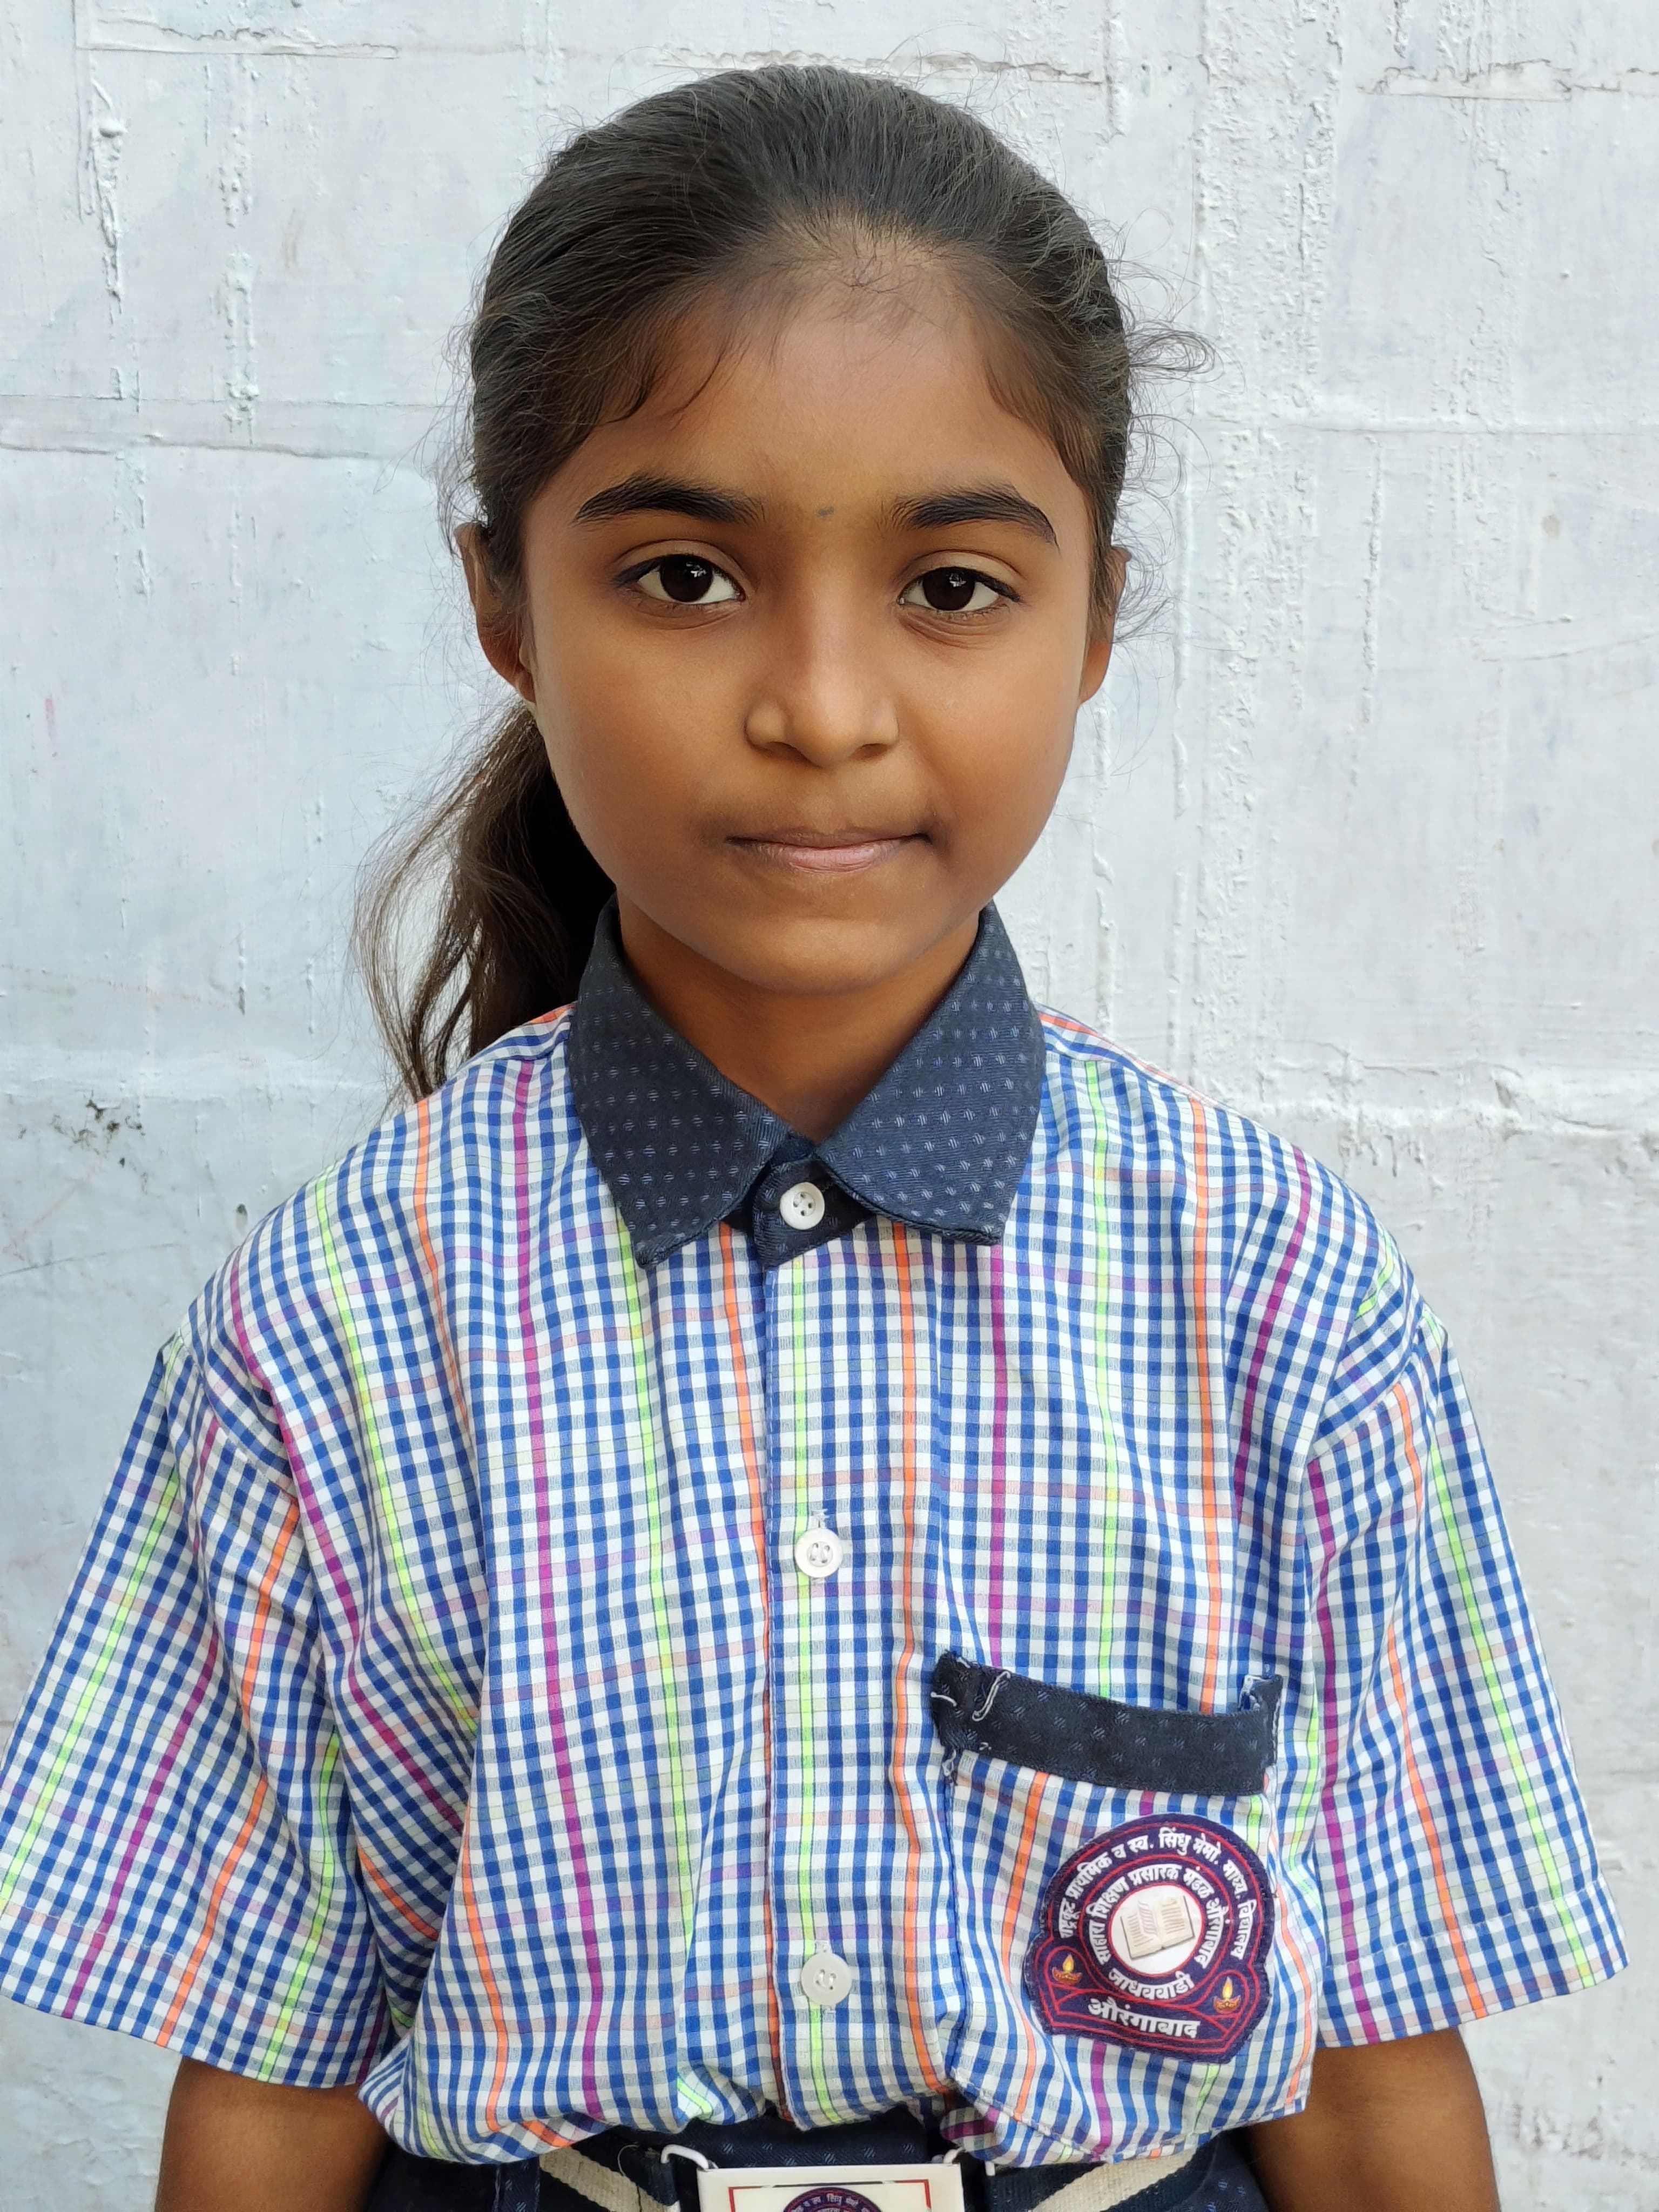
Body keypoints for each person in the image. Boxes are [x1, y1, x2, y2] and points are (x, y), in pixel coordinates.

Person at [0, 64, 1623, 2212]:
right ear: (506, 607)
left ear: (1095, 622)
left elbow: (1368, 2061)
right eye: (686, 576)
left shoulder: (1278, 1293)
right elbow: (276, 2083)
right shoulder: (335, 1326)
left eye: (952, 585)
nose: (825, 707)